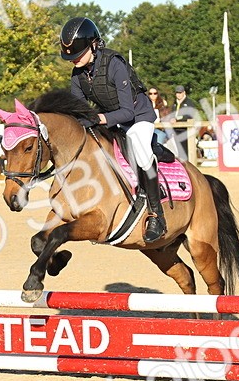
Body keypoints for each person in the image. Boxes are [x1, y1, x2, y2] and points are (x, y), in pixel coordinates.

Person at [61, 16, 166, 243]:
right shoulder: (78, 74)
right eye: (71, 56)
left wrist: (97, 118)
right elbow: (78, 109)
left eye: (78, 54)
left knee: (140, 148)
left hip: (138, 117)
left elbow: (127, 112)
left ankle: (157, 213)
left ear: (93, 45)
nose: (74, 60)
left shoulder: (114, 64)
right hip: (111, 119)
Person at [169, 85, 197, 161]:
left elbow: (190, 115)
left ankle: (189, 165)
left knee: (186, 150)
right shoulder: (175, 103)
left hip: (185, 130)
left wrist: (177, 119)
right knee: (179, 150)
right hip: (176, 130)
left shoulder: (189, 103)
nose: (178, 95)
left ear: (184, 92)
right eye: (177, 93)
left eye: (180, 93)